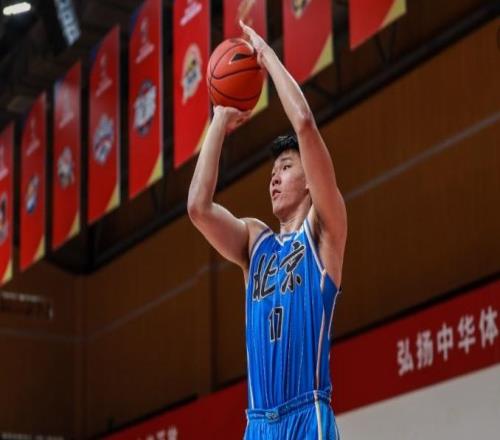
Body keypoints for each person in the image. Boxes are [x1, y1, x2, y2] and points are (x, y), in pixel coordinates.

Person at [188, 20, 347, 440]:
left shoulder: (323, 231)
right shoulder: (255, 242)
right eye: (272, 171)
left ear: (310, 181)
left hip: (307, 414)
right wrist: (219, 119)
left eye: (286, 167)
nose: (274, 178)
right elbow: (198, 207)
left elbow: (304, 123)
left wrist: (266, 55)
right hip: (257, 423)